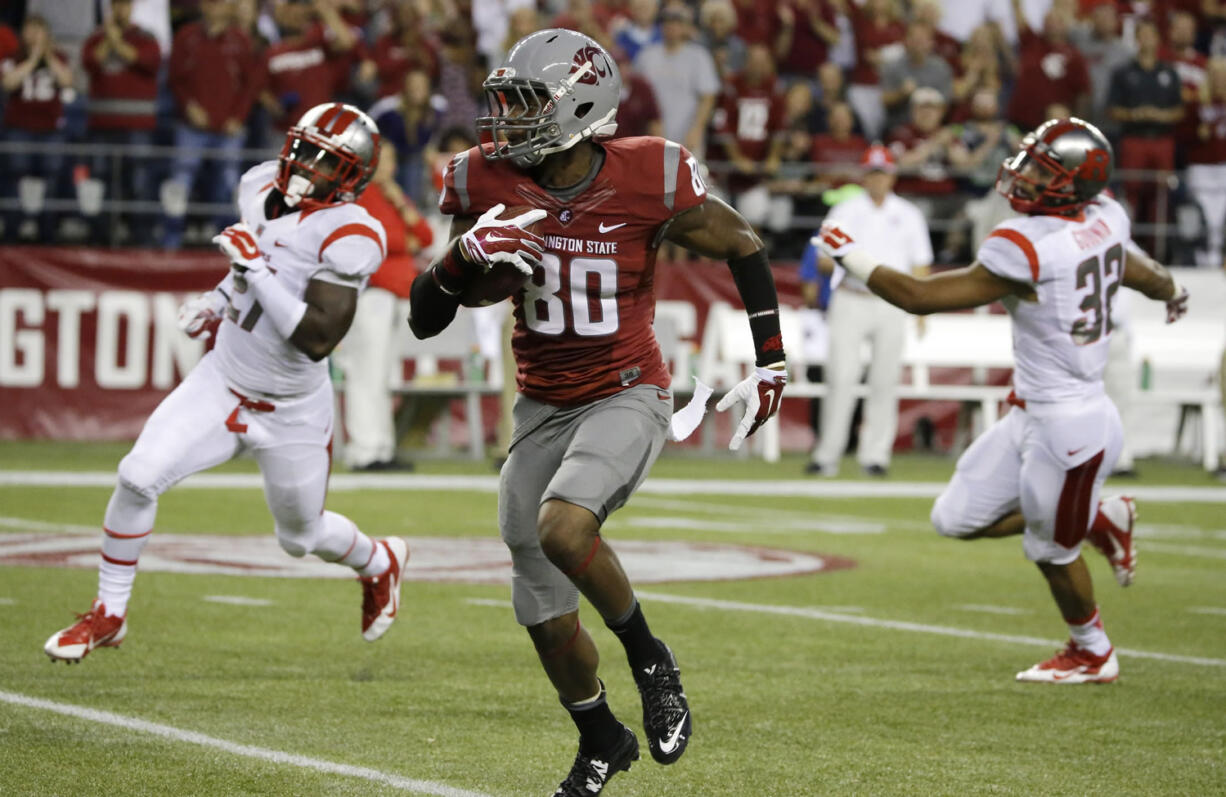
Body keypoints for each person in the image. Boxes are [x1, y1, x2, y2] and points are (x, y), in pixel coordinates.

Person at [410, 29, 788, 795]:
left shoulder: (649, 173)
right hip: (541, 404)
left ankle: (652, 659)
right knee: (543, 615)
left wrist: (772, 358)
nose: (506, 123)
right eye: (506, 104)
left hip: (627, 389)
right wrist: (461, 260)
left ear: (579, 107)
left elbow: (742, 241)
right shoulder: (484, 180)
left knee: (563, 525)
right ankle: (600, 739)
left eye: (524, 105)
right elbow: (426, 317)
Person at [816, 117, 1190, 683]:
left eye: (1044, 168)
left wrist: (854, 258)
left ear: (1071, 185)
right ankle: (1098, 519)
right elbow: (1141, 269)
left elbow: (920, 296)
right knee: (955, 519)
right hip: (1033, 412)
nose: (1026, 173)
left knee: (1049, 551)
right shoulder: (1106, 216)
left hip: (1073, 426)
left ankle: (1093, 650)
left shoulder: (1028, 247)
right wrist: (1172, 288)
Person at [44, 103, 407, 664]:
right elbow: (247, 271)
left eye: (325, 160)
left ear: (352, 177)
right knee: (137, 476)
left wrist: (254, 271)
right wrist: (217, 302)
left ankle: (379, 561)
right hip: (222, 379)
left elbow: (315, 338)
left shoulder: (352, 233)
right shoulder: (258, 183)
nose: (306, 165)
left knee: (300, 538)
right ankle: (109, 613)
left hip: (290, 407)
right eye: (304, 148)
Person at [806, 144, 932, 478]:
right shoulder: (845, 211)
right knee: (840, 377)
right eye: (872, 173)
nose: (877, 180)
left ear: (891, 176)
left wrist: (921, 310)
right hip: (851, 298)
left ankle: (876, 456)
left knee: (885, 380)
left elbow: (920, 264)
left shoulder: (909, 214)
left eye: (883, 173)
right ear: (865, 176)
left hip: (892, 301)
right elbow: (820, 259)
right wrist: (844, 265)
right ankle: (827, 454)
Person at [339, 142, 433, 471]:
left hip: (396, 296)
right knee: (366, 374)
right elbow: (374, 239)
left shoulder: (392, 194)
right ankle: (363, 450)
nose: (388, 165)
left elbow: (424, 235)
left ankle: (381, 447)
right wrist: (402, 241)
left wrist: (398, 204)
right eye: (383, 159)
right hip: (371, 295)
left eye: (392, 159)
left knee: (382, 376)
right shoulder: (358, 194)